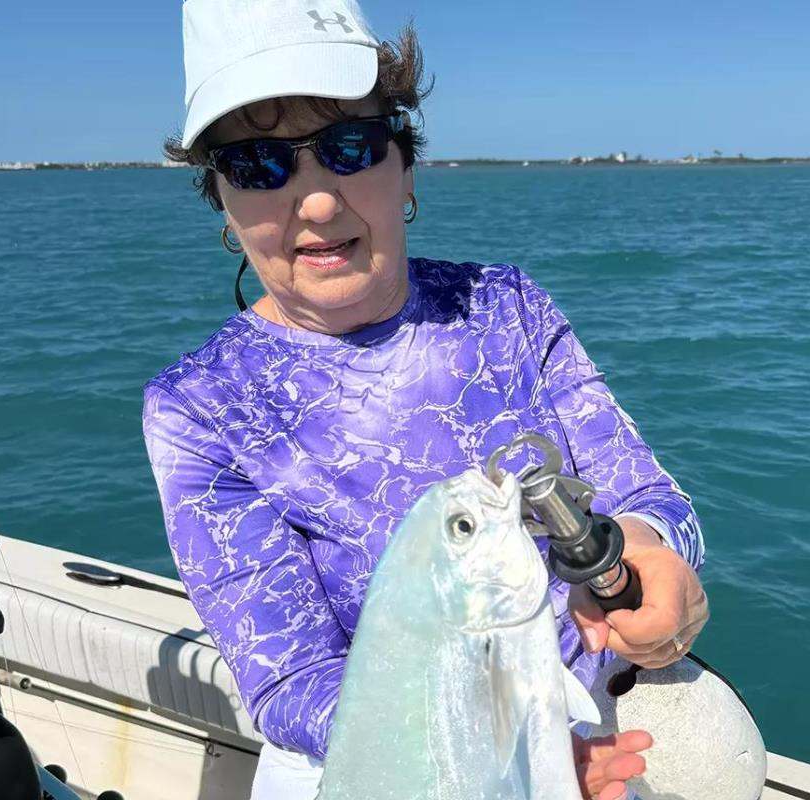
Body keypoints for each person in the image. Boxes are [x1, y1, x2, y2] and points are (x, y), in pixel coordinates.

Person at [142, 2, 709, 798]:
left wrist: (650, 551)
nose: (316, 202)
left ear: (404, 165)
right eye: (258, 164)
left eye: (348, 147)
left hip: (593, 734)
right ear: (223, 204)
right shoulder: (201, 407)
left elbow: (652, 500)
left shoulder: (505, 306)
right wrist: (489, 743)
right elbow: (289, 679)